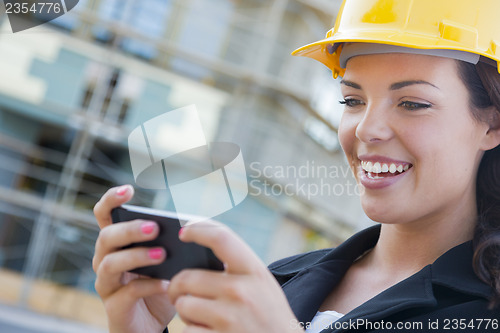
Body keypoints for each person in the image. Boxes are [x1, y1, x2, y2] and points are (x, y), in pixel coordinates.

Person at [92, 0, 500, 332]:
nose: (367, 129)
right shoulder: (276, 283)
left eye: (413, 103)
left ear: (492, 124)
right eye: (352, 101)